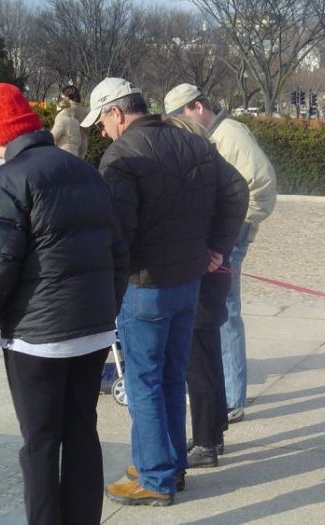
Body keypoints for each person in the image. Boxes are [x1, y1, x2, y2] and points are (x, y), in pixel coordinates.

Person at [81, 77, 249, 506]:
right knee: (171, 377)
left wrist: (108, 285)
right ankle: (169, 464)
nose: (102, 132)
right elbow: (236, 190)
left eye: (101, 122)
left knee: (145, 382)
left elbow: (117, 232)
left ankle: (155, 476)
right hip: (187, 281)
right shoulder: (190, 141)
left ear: (117, 112)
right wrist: (216, 245)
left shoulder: (122, 155)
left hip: (145, 285)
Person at [0, 83, 129, 525]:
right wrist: (105, 310)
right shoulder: (82, 170)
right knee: (82, 434)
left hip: (37, 341)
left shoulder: (6, 181)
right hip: (92, 331)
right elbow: (119, 253)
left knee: (42, 444)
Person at [164, 83, 277, 424]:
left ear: (197, 107)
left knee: (225, 311)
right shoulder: (213, 136)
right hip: (218, 231)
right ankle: (222, 391)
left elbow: (261, 182)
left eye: (179, 116)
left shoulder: (229, 134)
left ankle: (231, 396)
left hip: (230, 232)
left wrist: (238, 227)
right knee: (215, 309)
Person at [165, 114, 237, 468]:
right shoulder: (210, 164)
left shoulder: (200, 165)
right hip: (209, 268)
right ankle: (215, 431)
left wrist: (216, 247)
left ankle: (207, 441)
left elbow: (238, 193)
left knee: (199, 361)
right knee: (206, 354)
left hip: (203, 272)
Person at [58, 85, 89, 158]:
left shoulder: (66, 111)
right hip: (83, 146)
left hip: (68, 147)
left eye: (62, 96)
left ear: (67, 97)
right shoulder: (84, 111)